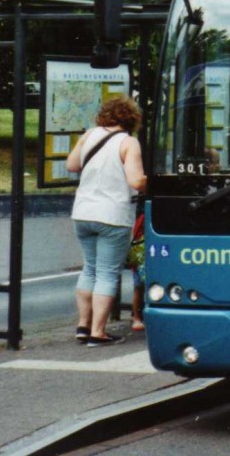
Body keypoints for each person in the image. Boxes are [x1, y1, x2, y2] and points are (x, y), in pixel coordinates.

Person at [66, 95, 147, 346]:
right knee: (108, 274)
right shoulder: (128, 143)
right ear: (131, 118)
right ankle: (98, 332)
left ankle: (83, 325)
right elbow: (135, 181)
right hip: (112, 215)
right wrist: (152, 181)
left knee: (89, 269)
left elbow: (71, 165)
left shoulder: (89, 135)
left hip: (83, 213)